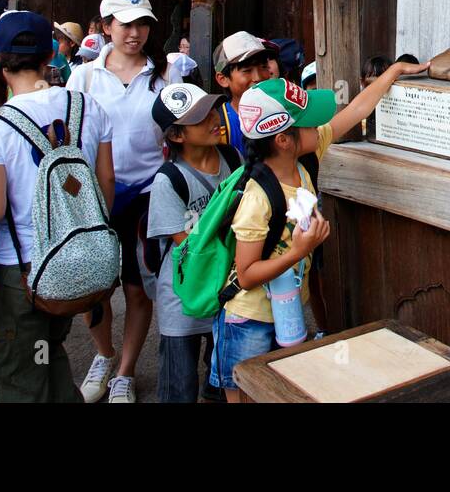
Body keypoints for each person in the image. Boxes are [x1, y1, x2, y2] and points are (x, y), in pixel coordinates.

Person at [210, 58, 429, 402]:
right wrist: (299, 251)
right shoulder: (257, 199)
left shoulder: (303, 157)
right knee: (248, 390)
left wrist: (394, 71)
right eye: (311, 122)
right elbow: (248, 275)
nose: (321, 124)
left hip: (287, 307)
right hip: (249, 319)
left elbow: (357, 109)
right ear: (283, 140)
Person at [0, 11, 115, 403]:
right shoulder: (88, 107)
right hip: (77, 263)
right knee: (50, 356)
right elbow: (106, 187)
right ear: (51, 53)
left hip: (22, 270)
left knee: (21, 377)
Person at [67, 0, 184, 403]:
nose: (135, 33)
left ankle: (125, 370)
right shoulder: (82, 75)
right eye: (125, 24)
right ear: (105, 27)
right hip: (94, 195)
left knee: (138, 286)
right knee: (93, 285)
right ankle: (102, 354)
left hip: (148, 193)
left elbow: (179, 132)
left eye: (142, 24)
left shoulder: (166, 75)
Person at [146, 83, 236, 402]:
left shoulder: (231, 156)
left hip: (225, 287)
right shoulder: (168, 181)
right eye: (200, 118)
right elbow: (189, 248)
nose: (214, 119)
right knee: (179, 383)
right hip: (184, 295)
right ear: (176, 136)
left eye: (212, 109)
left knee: (224, 377)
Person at [213, 32, 276, 160]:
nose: (258, 77)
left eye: (263, 67)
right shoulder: (217, 126)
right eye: (247, 70)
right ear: (223, 79)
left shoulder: (285, 114)